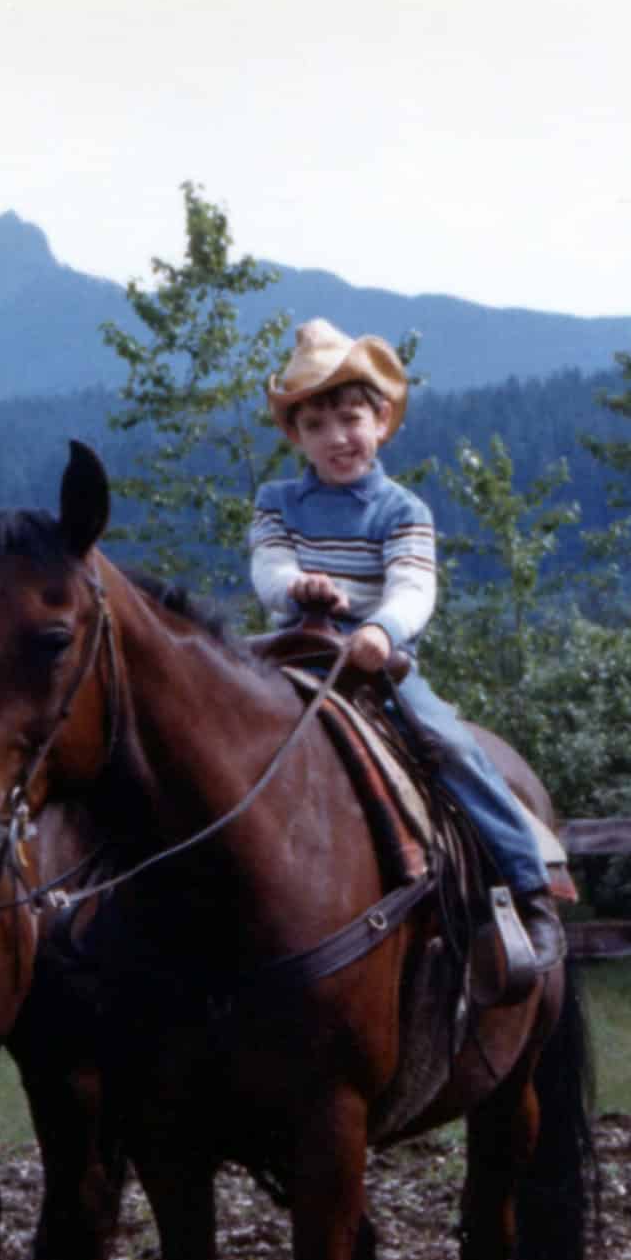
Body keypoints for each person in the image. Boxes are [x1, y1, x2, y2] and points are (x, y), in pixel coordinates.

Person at [248, 318, 566, 972]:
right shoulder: (277, 502)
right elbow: (268, 569)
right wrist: (294, 586)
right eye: (316, 425)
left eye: (350, 418)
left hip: (373, 661)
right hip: (295, 649)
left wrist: (379, 630)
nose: (337, 437)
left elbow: (414, 587)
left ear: (382, 419)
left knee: (447, 742)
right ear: (295, 436)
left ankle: (529, 885)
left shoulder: (402, 510)